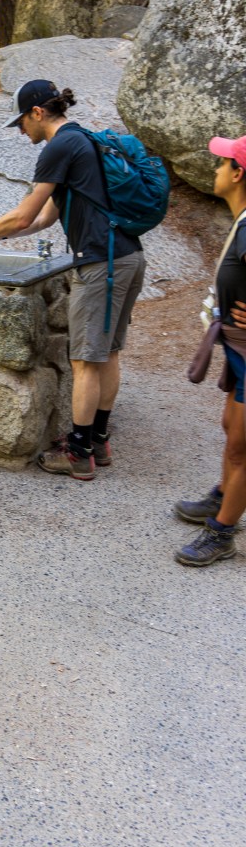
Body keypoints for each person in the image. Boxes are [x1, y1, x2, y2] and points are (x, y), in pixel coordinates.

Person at [0, 79, 146, 480]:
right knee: (106, 353)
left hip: (101, 263)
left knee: (85, 360)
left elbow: (25, 213)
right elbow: (43, 219)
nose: (22, 132)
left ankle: (77, 453)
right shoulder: (82, 141)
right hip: (127, 255)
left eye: (22, 122)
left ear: (37, 113)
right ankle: (98, 441)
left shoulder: (59, 147)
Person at [174, 135, 246, 567]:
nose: (214, 170)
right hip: (238, 349)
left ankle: (222, 533)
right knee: (231, 431)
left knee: (244, 446)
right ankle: (224, 496)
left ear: (238, 173)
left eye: (221, 163)